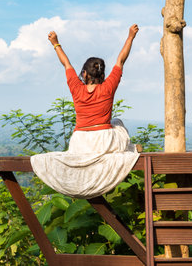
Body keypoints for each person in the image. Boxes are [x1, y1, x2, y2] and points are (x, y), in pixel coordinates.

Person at [30, 24, 140, 199]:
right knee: (117, 122)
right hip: (103, 141)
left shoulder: (77, 88)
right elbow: (120, 60)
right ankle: (131, 149)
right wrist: (130, 37)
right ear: (102, 75)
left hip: (80, 142)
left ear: (85, 74)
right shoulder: (108, 88)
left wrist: (55, 43)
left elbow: (66, 63)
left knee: (114, 123)